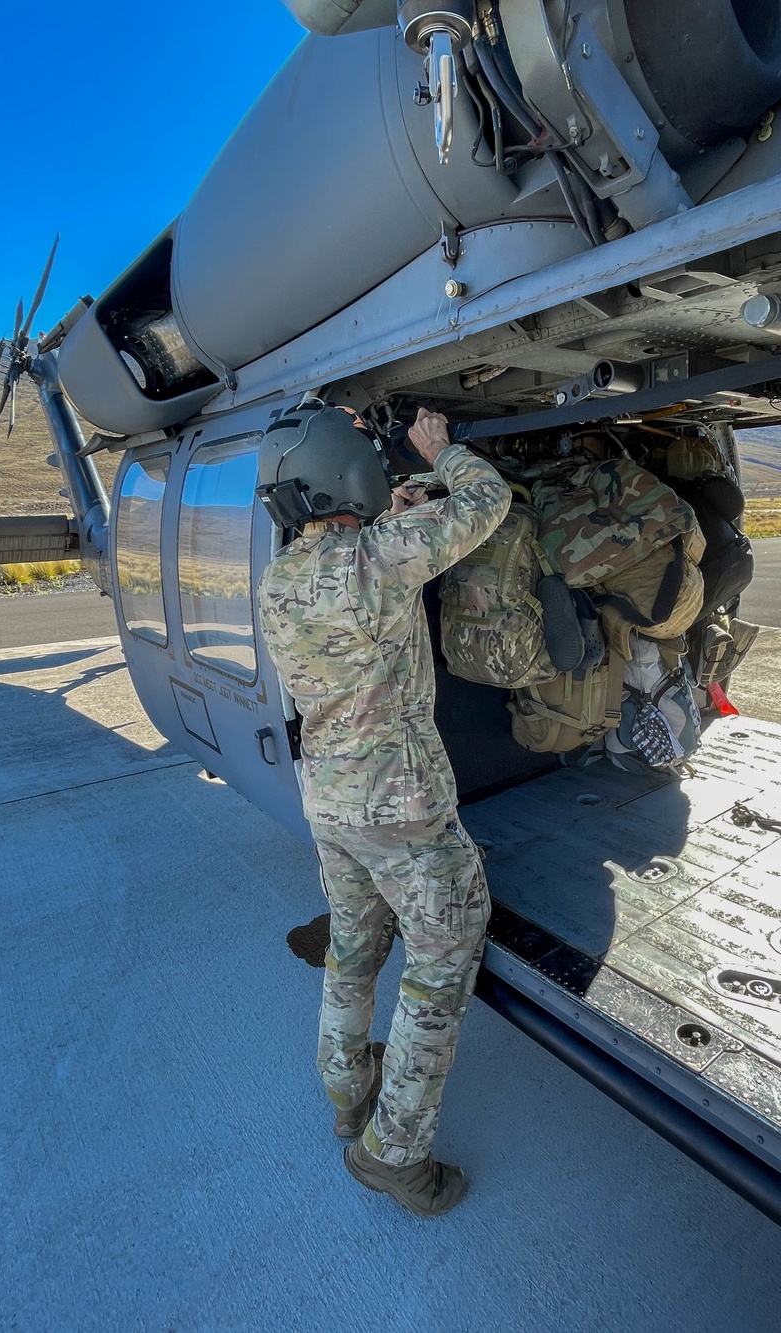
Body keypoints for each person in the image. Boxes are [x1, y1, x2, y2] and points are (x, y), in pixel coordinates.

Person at [255, 400, 511, 1217]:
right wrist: (441, 454)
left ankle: (346, 1092)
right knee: (438, 970)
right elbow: (486, 504)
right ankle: (393, 1155)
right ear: (350, 477)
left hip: (329, 804)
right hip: (403, 812)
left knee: (354, 950)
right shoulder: (376, 562)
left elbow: (361, 563)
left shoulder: (281, 578)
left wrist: (393, 513)